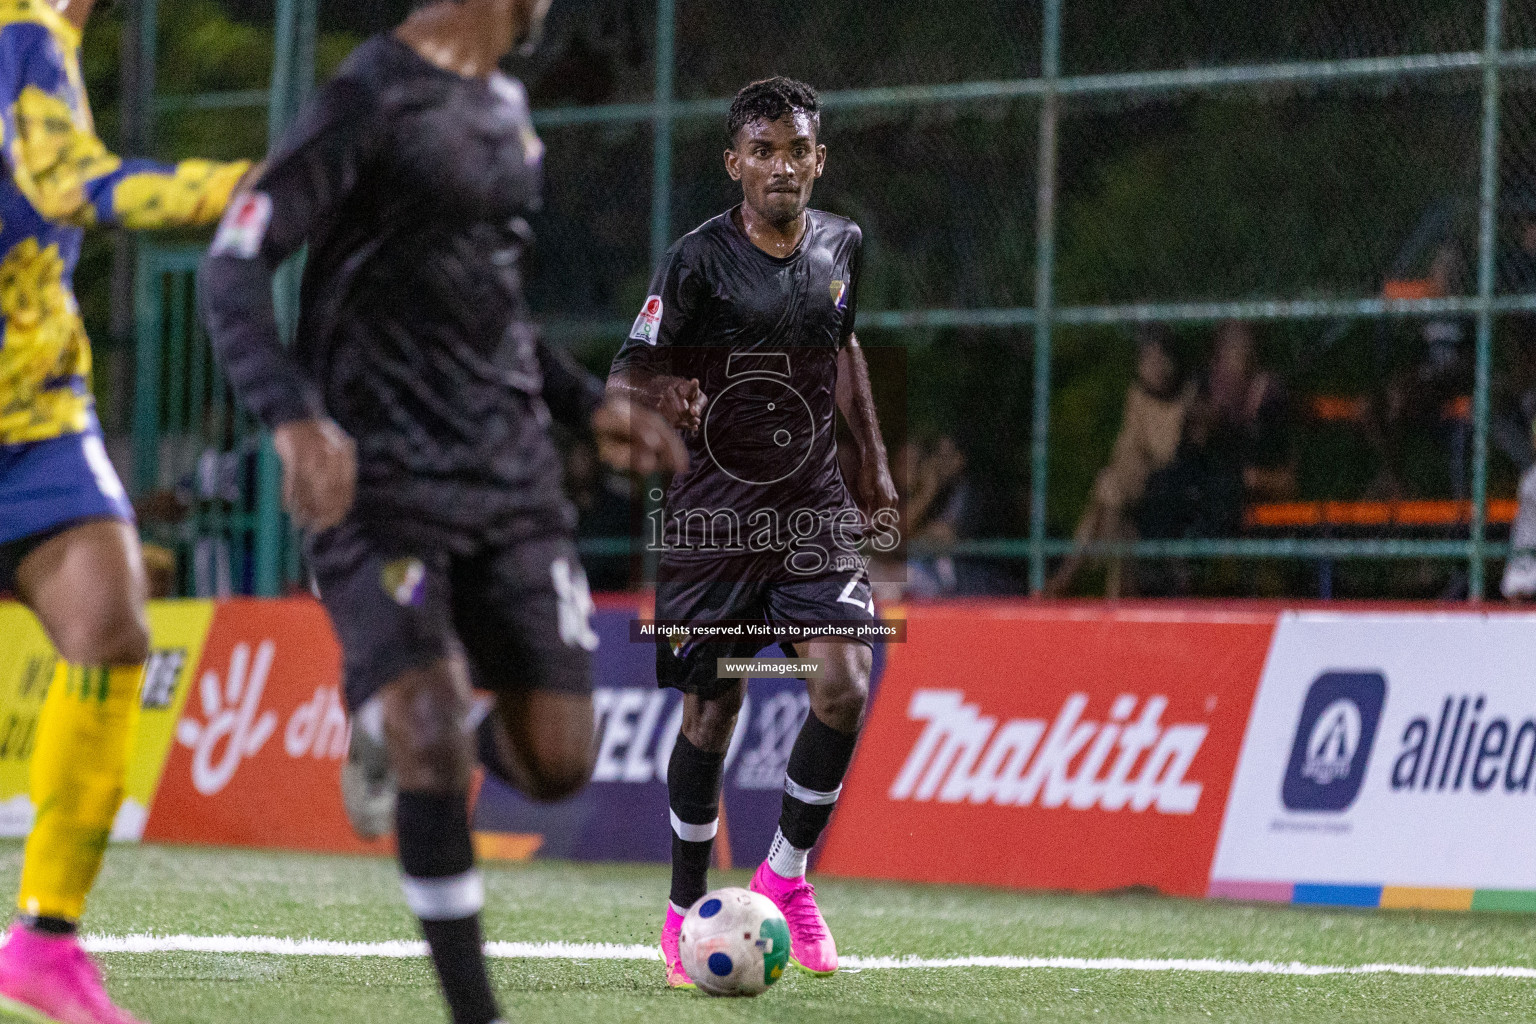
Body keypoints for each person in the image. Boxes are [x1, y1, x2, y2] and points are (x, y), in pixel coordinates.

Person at [199, 2, 685, 1023]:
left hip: (509, 479)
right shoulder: (367, 98)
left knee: (558, 761)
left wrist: (586, 403)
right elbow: (234, 265)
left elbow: (494, 313)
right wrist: (294, 421)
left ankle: (423, 729)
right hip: (379, 482)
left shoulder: (507, 107)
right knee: (426, 732)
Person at [607, 76, 898, 988]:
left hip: (808, 507)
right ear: (734, 163)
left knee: (844, 682)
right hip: (714, 523)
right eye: (762, 151)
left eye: (797, 150)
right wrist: (666, 393)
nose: (781, 166)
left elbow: (843, 348)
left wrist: (873, 461)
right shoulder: (695, 262)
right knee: (713, 710)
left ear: (820, 158)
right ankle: (681, 904)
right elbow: (625, 375)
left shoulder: (844, 244)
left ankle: (788, 876)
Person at [0, 0, 253, 1019]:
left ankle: (45, 940)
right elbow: (68, 182)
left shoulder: (41, 35)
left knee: (109, 625)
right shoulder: (22, 29)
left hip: (38, 411)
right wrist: (246, 188)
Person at [1045, 325, 1193, 598]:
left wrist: (1136, 461)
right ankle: (1112, 594)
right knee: (1113, 498)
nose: (1152, 367)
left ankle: (1068, 575)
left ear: (1171, 362)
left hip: (1164, 486)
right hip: (1128, 486)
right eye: (1146, 359)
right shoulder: (1136, 395)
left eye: (1159, 359)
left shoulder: (1183, 399)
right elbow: (1125, 450)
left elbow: (1166, 454)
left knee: (1108, 488)